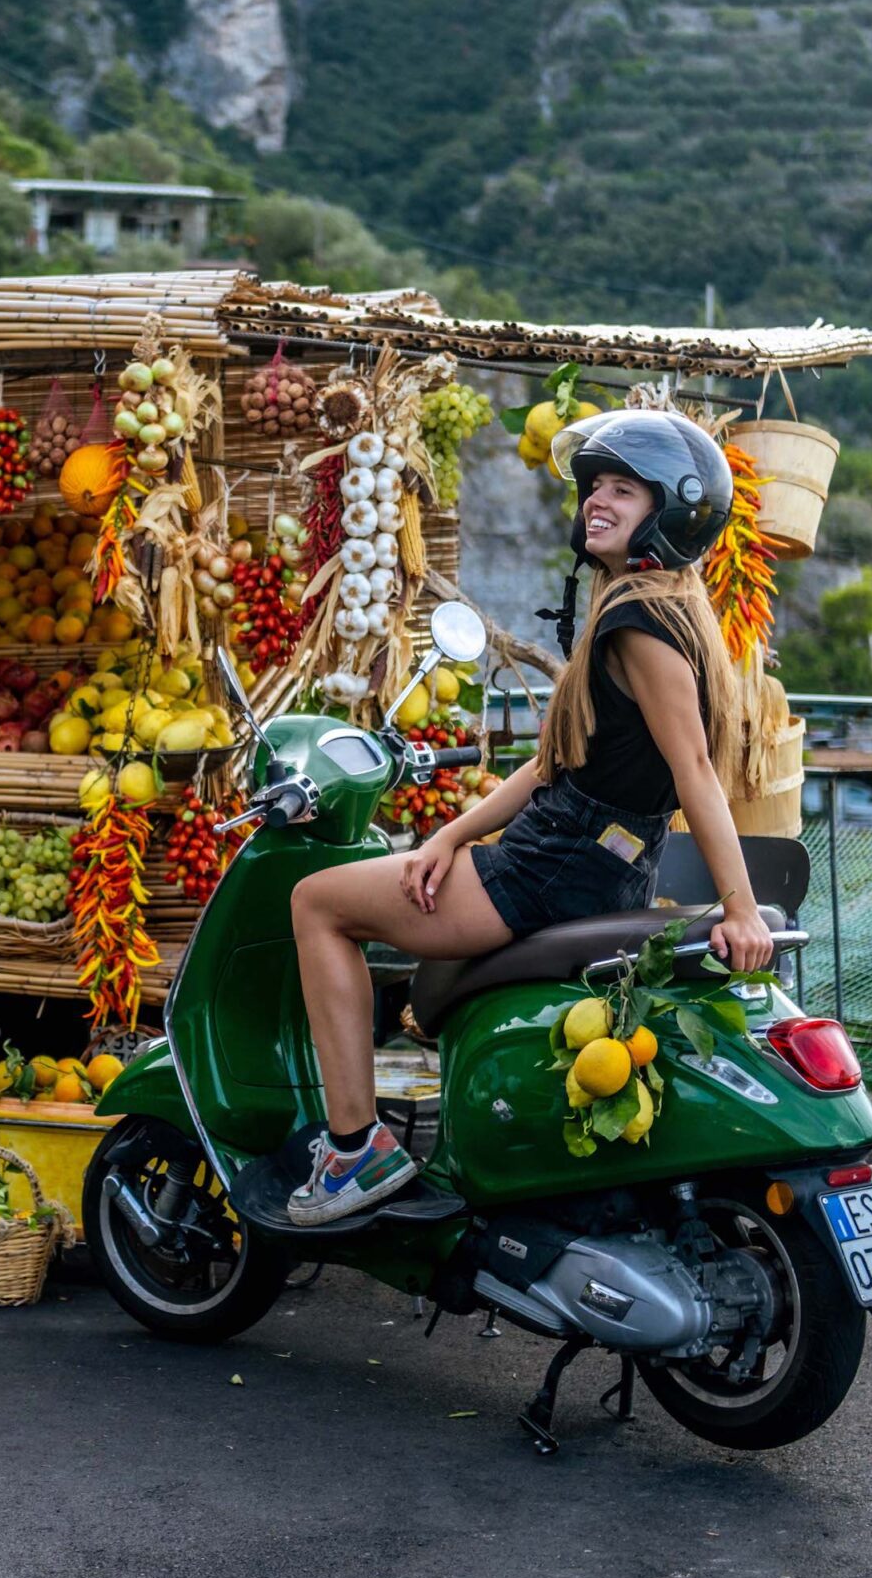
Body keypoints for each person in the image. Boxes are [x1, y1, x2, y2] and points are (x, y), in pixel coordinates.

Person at [285, 409, 777, 1225]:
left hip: (548, 868)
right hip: (599, 862)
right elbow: (557, 764)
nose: (598, 503)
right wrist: (448, 835)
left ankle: (352, 1150)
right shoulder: (668, 607)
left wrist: (739, 907)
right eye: (595, 488)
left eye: (624, 490)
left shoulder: (636, 625)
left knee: (317, 904)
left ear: (671, 513)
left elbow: (695, 774)